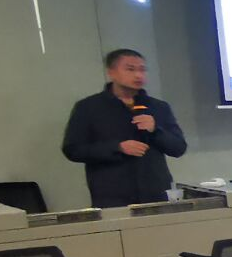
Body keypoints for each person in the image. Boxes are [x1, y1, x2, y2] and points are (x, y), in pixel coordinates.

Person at [61, 49, 187, 207]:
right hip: (112, 197)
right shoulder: (88, 108)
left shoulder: (158, 107)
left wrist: (155, 130)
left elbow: (178, 148)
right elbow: (73, 149)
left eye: (142, 70)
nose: (138, 75)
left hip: (156, 195)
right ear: (111, 72)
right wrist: (117, 148)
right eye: (130, 69)